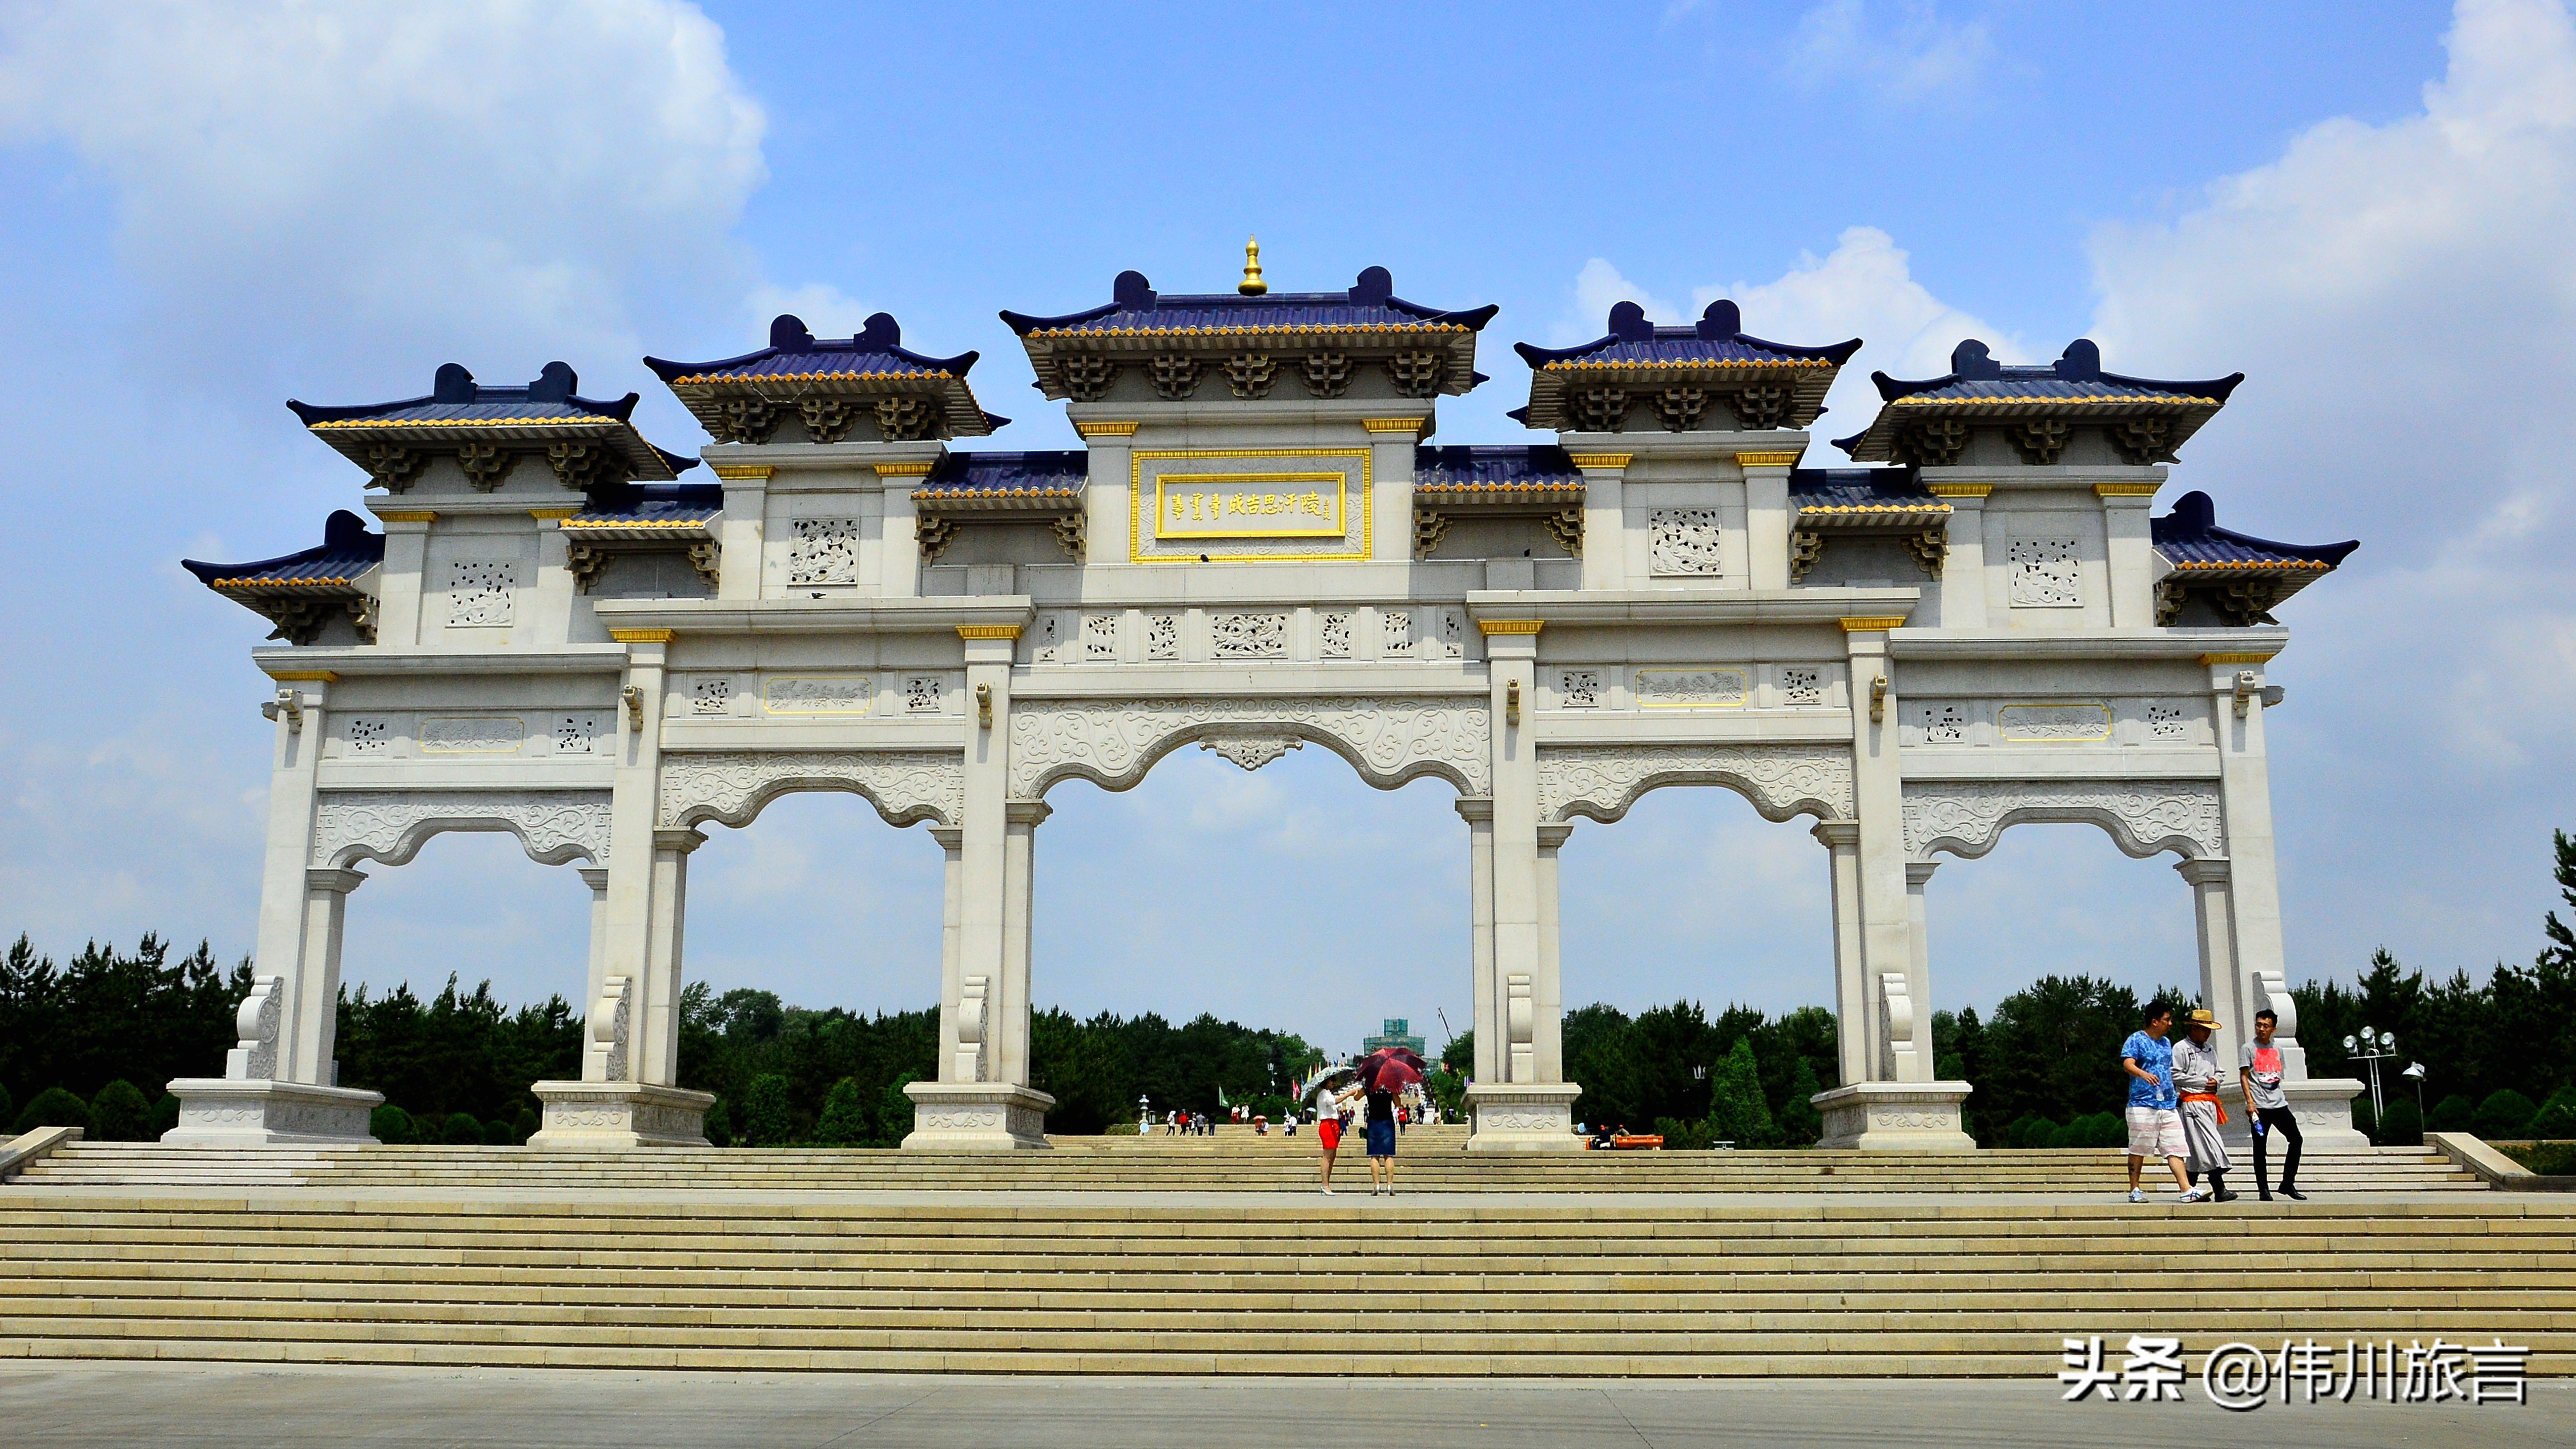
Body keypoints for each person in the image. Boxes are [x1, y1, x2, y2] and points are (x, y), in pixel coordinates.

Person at [2122, 1000, 2195, 1204]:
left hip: (2167, 1103)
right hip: (2142, 1102)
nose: (2170, 1024)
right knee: (2139, 1146)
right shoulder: (2136, 1039)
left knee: (2176, 1146)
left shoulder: (2166, 1043)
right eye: (2167, 1020)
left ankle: (2186, 1189)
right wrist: (2143, 1074)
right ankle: (2135, 1188)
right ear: (2155, 1022)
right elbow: (2128, 1063)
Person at [2172, 1009, 2238, 1203]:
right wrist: (2202, 1083)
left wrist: (2216, 1082)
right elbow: (2175, 1075)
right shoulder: (2181, 1049)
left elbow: (2220, 1071)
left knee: (2196, 1149)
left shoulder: (2210, 1049)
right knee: (2209, 1144)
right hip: (2192, 1103)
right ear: (2194, 1028)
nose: (2207, 1034)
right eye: (2204, 1029)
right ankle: (2219, 1188)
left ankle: (2190, 1188)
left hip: (2209, 1104)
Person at [2240, 1008, 2305, 1201]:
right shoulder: (2248, 1048)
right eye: (2258, 1025)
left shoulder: (2278, 1049)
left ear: (2273, 1029)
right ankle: (2264, 1190)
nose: (2261, 1029)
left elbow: (2278, 1074)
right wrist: (2250, 1102)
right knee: (2260, 1148)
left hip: (2279, 1106)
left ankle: (2287, 1183)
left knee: (2296, 1139)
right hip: (2259, 1109)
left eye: (2265, 1026)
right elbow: (2244, 1076)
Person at [1361, 1078, 1400, 1196]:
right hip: (1387, 1122)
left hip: (1373, 1122)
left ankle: (1377, 1185)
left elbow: (1356, 1097)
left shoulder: (1369, 1085)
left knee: (1374, 1156)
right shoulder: (1390, 1087)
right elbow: (1399, 1103)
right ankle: (1389, 1185)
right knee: (1388, 1155)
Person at [1314, 1088, 1346, 1193]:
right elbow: (1335, 1101)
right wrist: (1349, 1094)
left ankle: (1327, 1183)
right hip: (1327, 1124)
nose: (1333, 1083)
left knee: (1332, 1156)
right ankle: (1324, 1184)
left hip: (1334, 1124)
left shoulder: (1328, 1093)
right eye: (1331, 1080)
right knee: (1328, 1156)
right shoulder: (1323, 1093)